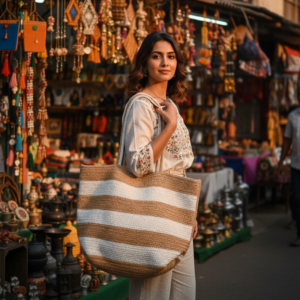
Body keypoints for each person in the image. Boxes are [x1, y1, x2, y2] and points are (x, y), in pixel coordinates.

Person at [124, 32, 198, 300]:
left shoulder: (169, 105)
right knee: (151, 296)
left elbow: (179, 167)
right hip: (153, 212)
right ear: (145, 62)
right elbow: (138, 165)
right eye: (157, 56)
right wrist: (170, 126)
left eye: (171, 57)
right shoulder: (141, 105)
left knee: (185, 295)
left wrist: (190, 213)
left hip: (178, 212)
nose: (165, 63)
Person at [278, 106, 300, 246]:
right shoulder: (293, 116)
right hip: (296, 165)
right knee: (297, 200)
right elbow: (287, 140)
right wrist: (281, 161)